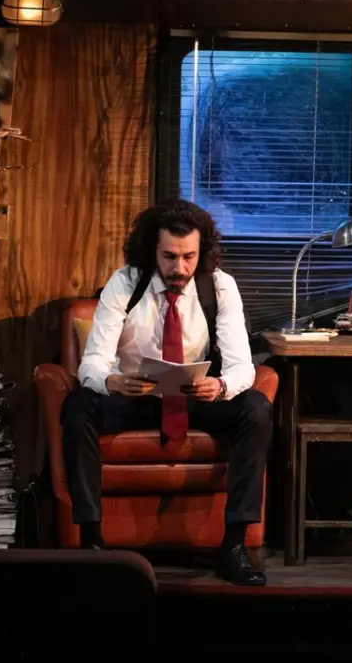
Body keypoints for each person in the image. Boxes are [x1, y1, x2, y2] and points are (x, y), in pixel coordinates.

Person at [61, 199, 272, 587]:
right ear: (152, 251)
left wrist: (221, 386)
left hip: (194, 398)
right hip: (136, 397)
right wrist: (113, 381)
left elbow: (243, 366)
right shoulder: (126, 282)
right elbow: (92, 363)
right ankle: (91, 544)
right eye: (170, 257)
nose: (180, 268)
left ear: (201, 252)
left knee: (255, 408)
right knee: (78, 407)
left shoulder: (219, 286)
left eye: (189, 256)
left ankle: (234, 545)